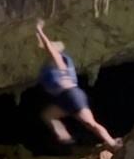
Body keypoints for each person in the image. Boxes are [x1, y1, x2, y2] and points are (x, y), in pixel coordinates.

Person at [35, 20, 120, 149]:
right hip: (64, 97)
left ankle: (112, 143)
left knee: (90, 124)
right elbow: (45, 47)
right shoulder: (54, 65)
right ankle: (64, 136)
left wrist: (40, 31)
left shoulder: (60, 63)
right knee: (48, 115)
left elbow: (49, 48)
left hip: (72, 95)